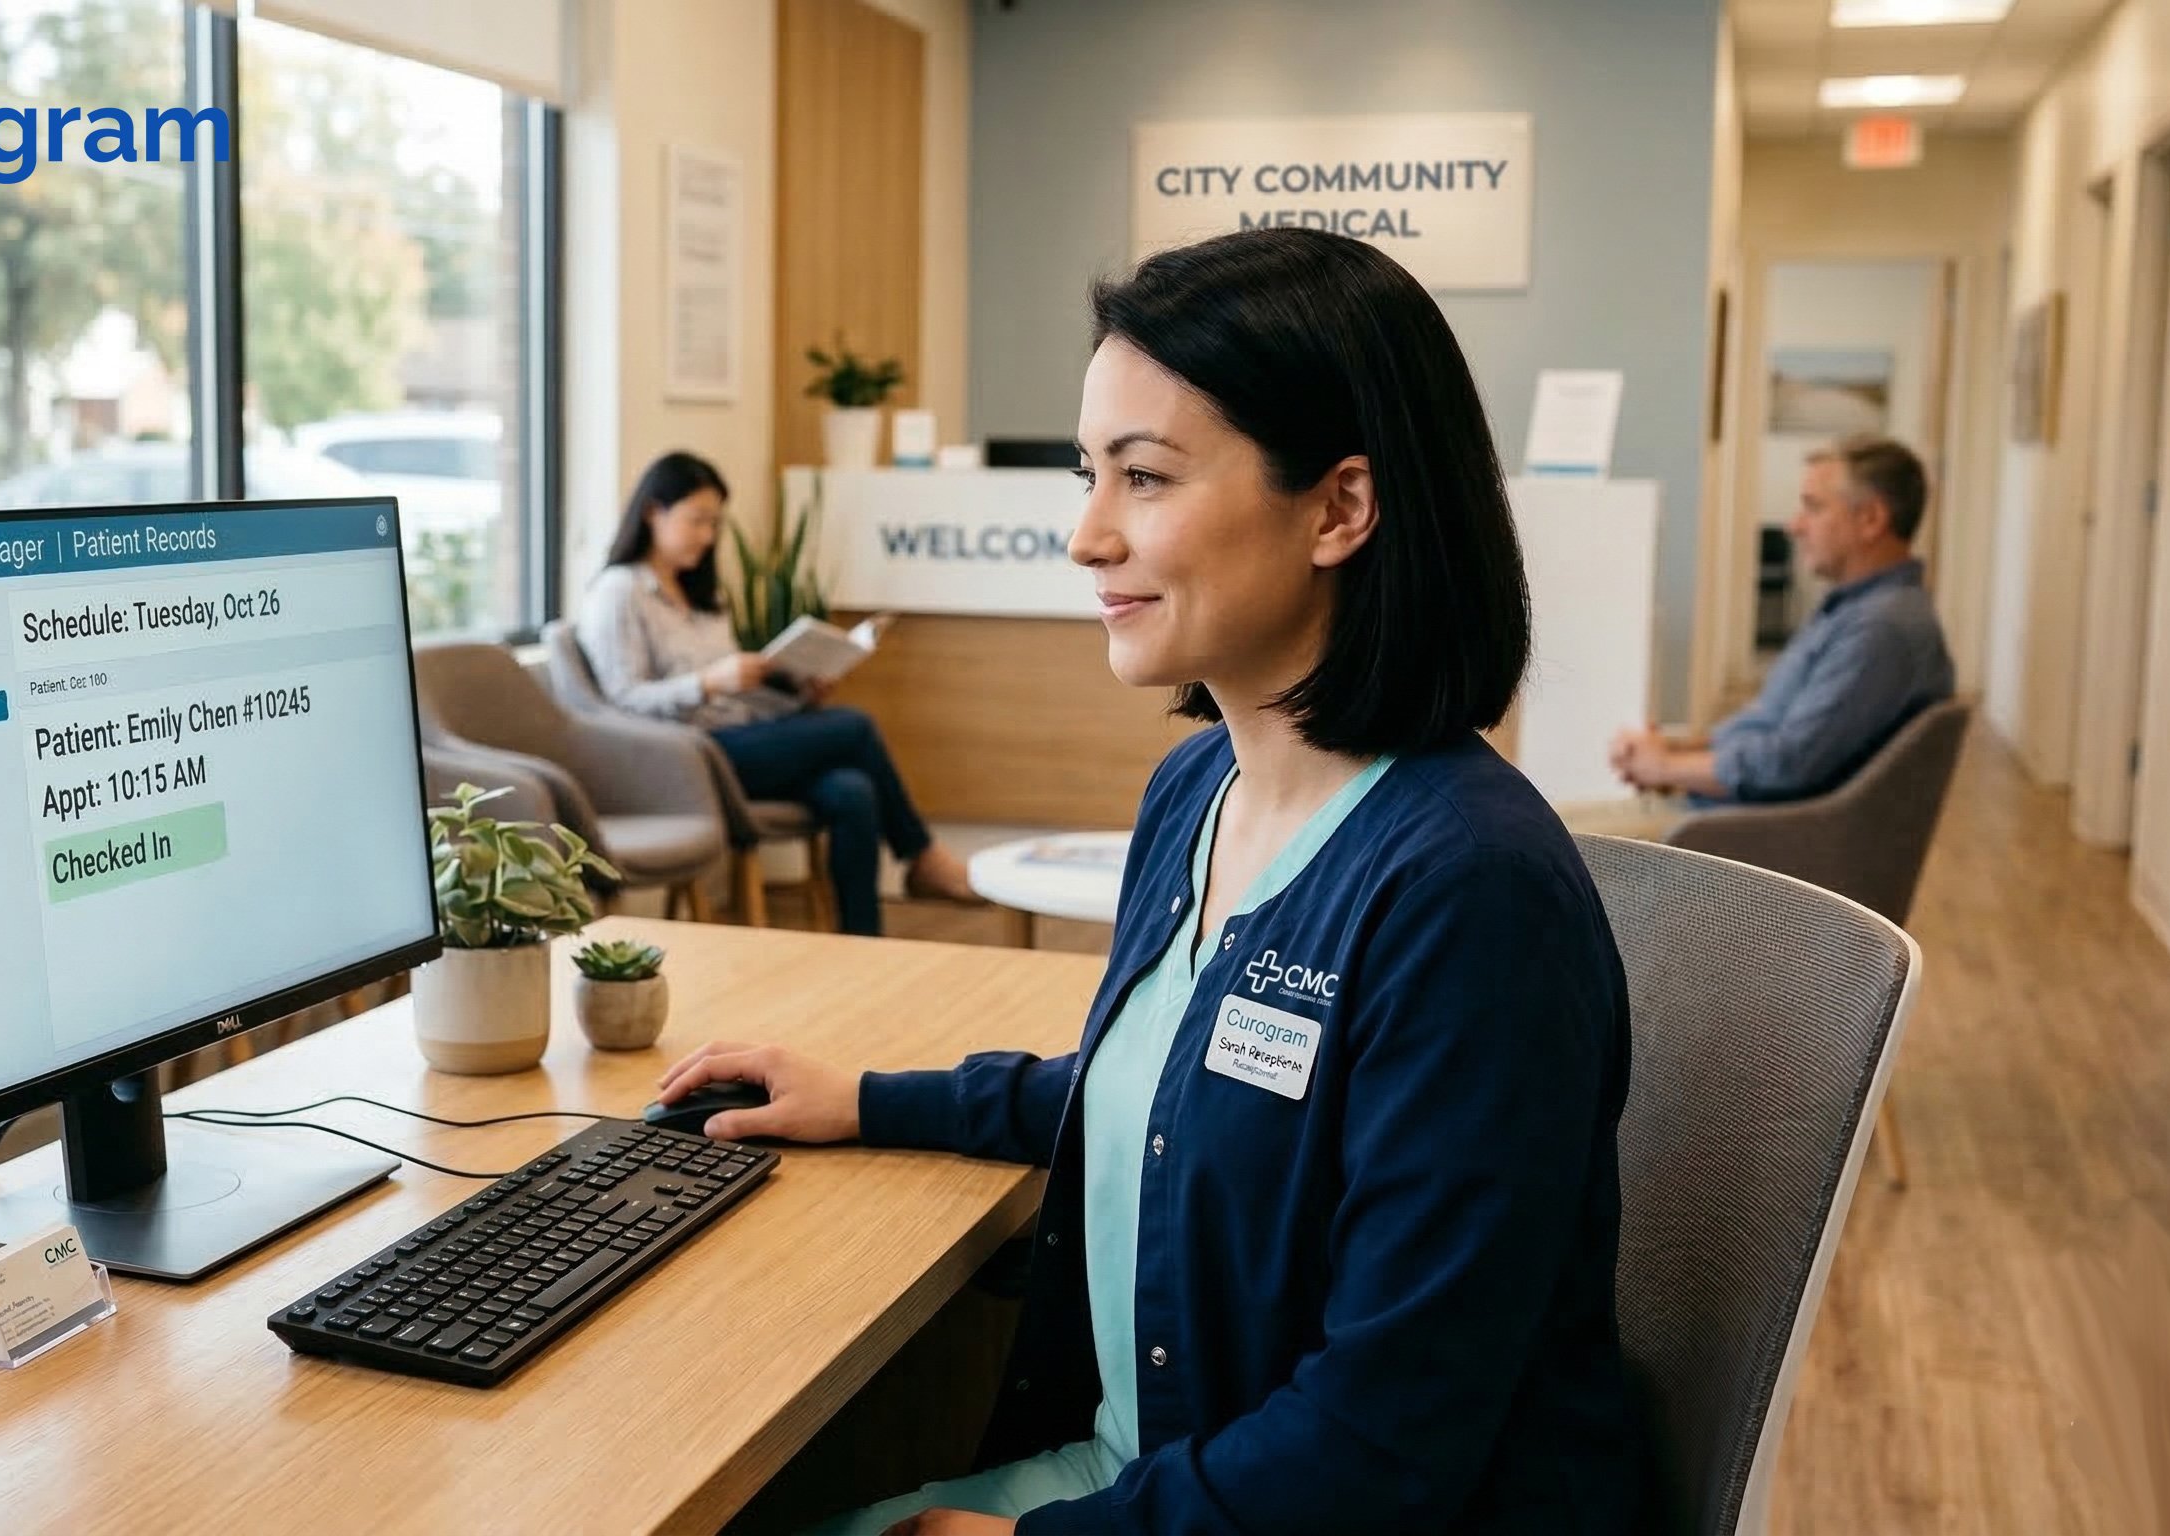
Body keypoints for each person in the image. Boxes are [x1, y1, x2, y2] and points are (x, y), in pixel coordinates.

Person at [653, 227, 1643, 1535]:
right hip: (1154, 1479)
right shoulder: (1195, 793)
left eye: (1144, 477)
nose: (1087, 536)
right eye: (1089, 476)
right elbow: (1179, 1087)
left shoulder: (1468, 892)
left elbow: (1386, 1443)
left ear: (1340, 508)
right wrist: (868, 1099)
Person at [573, 451, 979, 936]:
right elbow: (621, 700)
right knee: (854, 726)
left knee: (852, 790)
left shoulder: (702, 593)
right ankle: (921, 856)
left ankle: (863, 941)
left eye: (714, 523)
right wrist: (707, 682)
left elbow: (734, 697)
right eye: (696, 520)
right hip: (689, 757)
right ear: (651, 512)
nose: (707, 536)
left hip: (742, 740)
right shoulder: (619, 592)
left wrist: (797, 693)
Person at [1608, 435, 1955, 807]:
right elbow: (1770, 727)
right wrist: (1675, 753)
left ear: (1870, 519)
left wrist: (1667, 768)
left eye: (1813, 507)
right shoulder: (1856, 611)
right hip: (1732, 817)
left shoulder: (1881, 630)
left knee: (1574, 826)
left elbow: (1787, 763)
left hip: (1750, 831)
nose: (1794, 526)